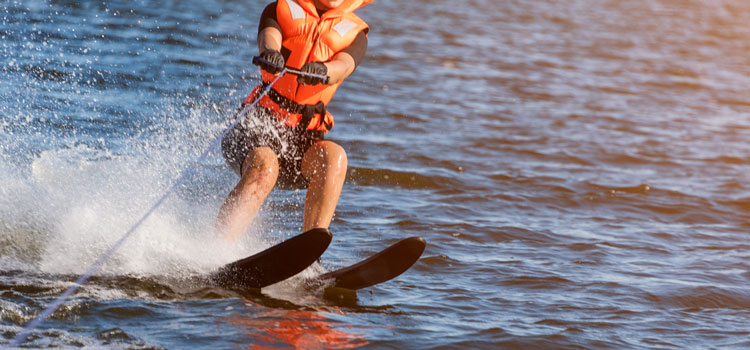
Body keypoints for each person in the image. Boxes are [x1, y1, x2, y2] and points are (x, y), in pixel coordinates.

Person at [217, 0, 372, 241]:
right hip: (255, 130)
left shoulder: (356, 34)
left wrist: (324, 71)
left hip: (300, 142)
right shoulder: (280, 9)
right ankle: (219, 249)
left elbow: (343, 66)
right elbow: (268, 37)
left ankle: (310, 253)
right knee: (264, 165)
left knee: (334, 157)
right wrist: (270, 53)